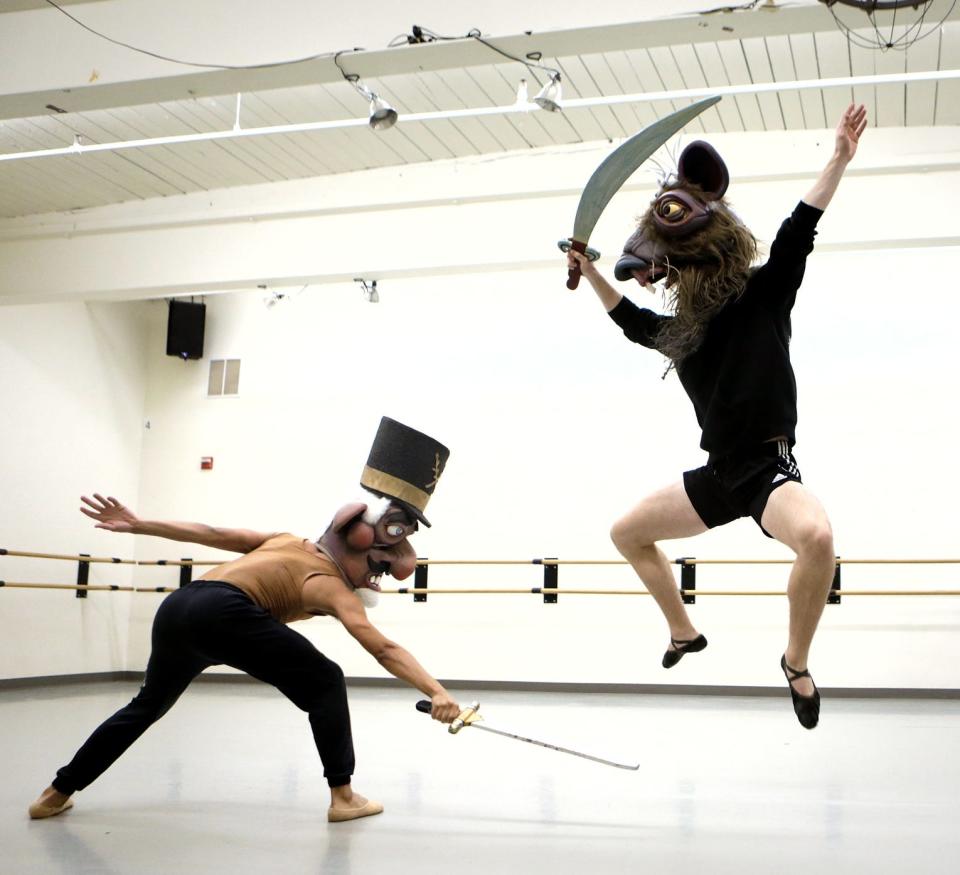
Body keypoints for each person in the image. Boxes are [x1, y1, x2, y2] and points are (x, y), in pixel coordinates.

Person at [566, 104, 868, 729]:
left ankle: (796, 661)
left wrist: (837, 158)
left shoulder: (766, 292)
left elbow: (800, 226)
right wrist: (591, 268)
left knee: (816, 539)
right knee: (627, 532)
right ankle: (683, 631)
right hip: (717, 473)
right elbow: (631, 321)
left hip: (765, 468)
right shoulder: (682, 332)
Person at [29, 417, 459, 821]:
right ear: (356, 535)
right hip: (226, 612)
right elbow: (381, 646)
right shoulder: (327, 582)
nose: (381, 573)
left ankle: (55, 795)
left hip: (181, 606)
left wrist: (141, 525)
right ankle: (343, 798)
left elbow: (212, 534)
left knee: (146, 706)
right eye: (380, 563)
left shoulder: (286, 540)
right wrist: (436, 691)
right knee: (325, 679)